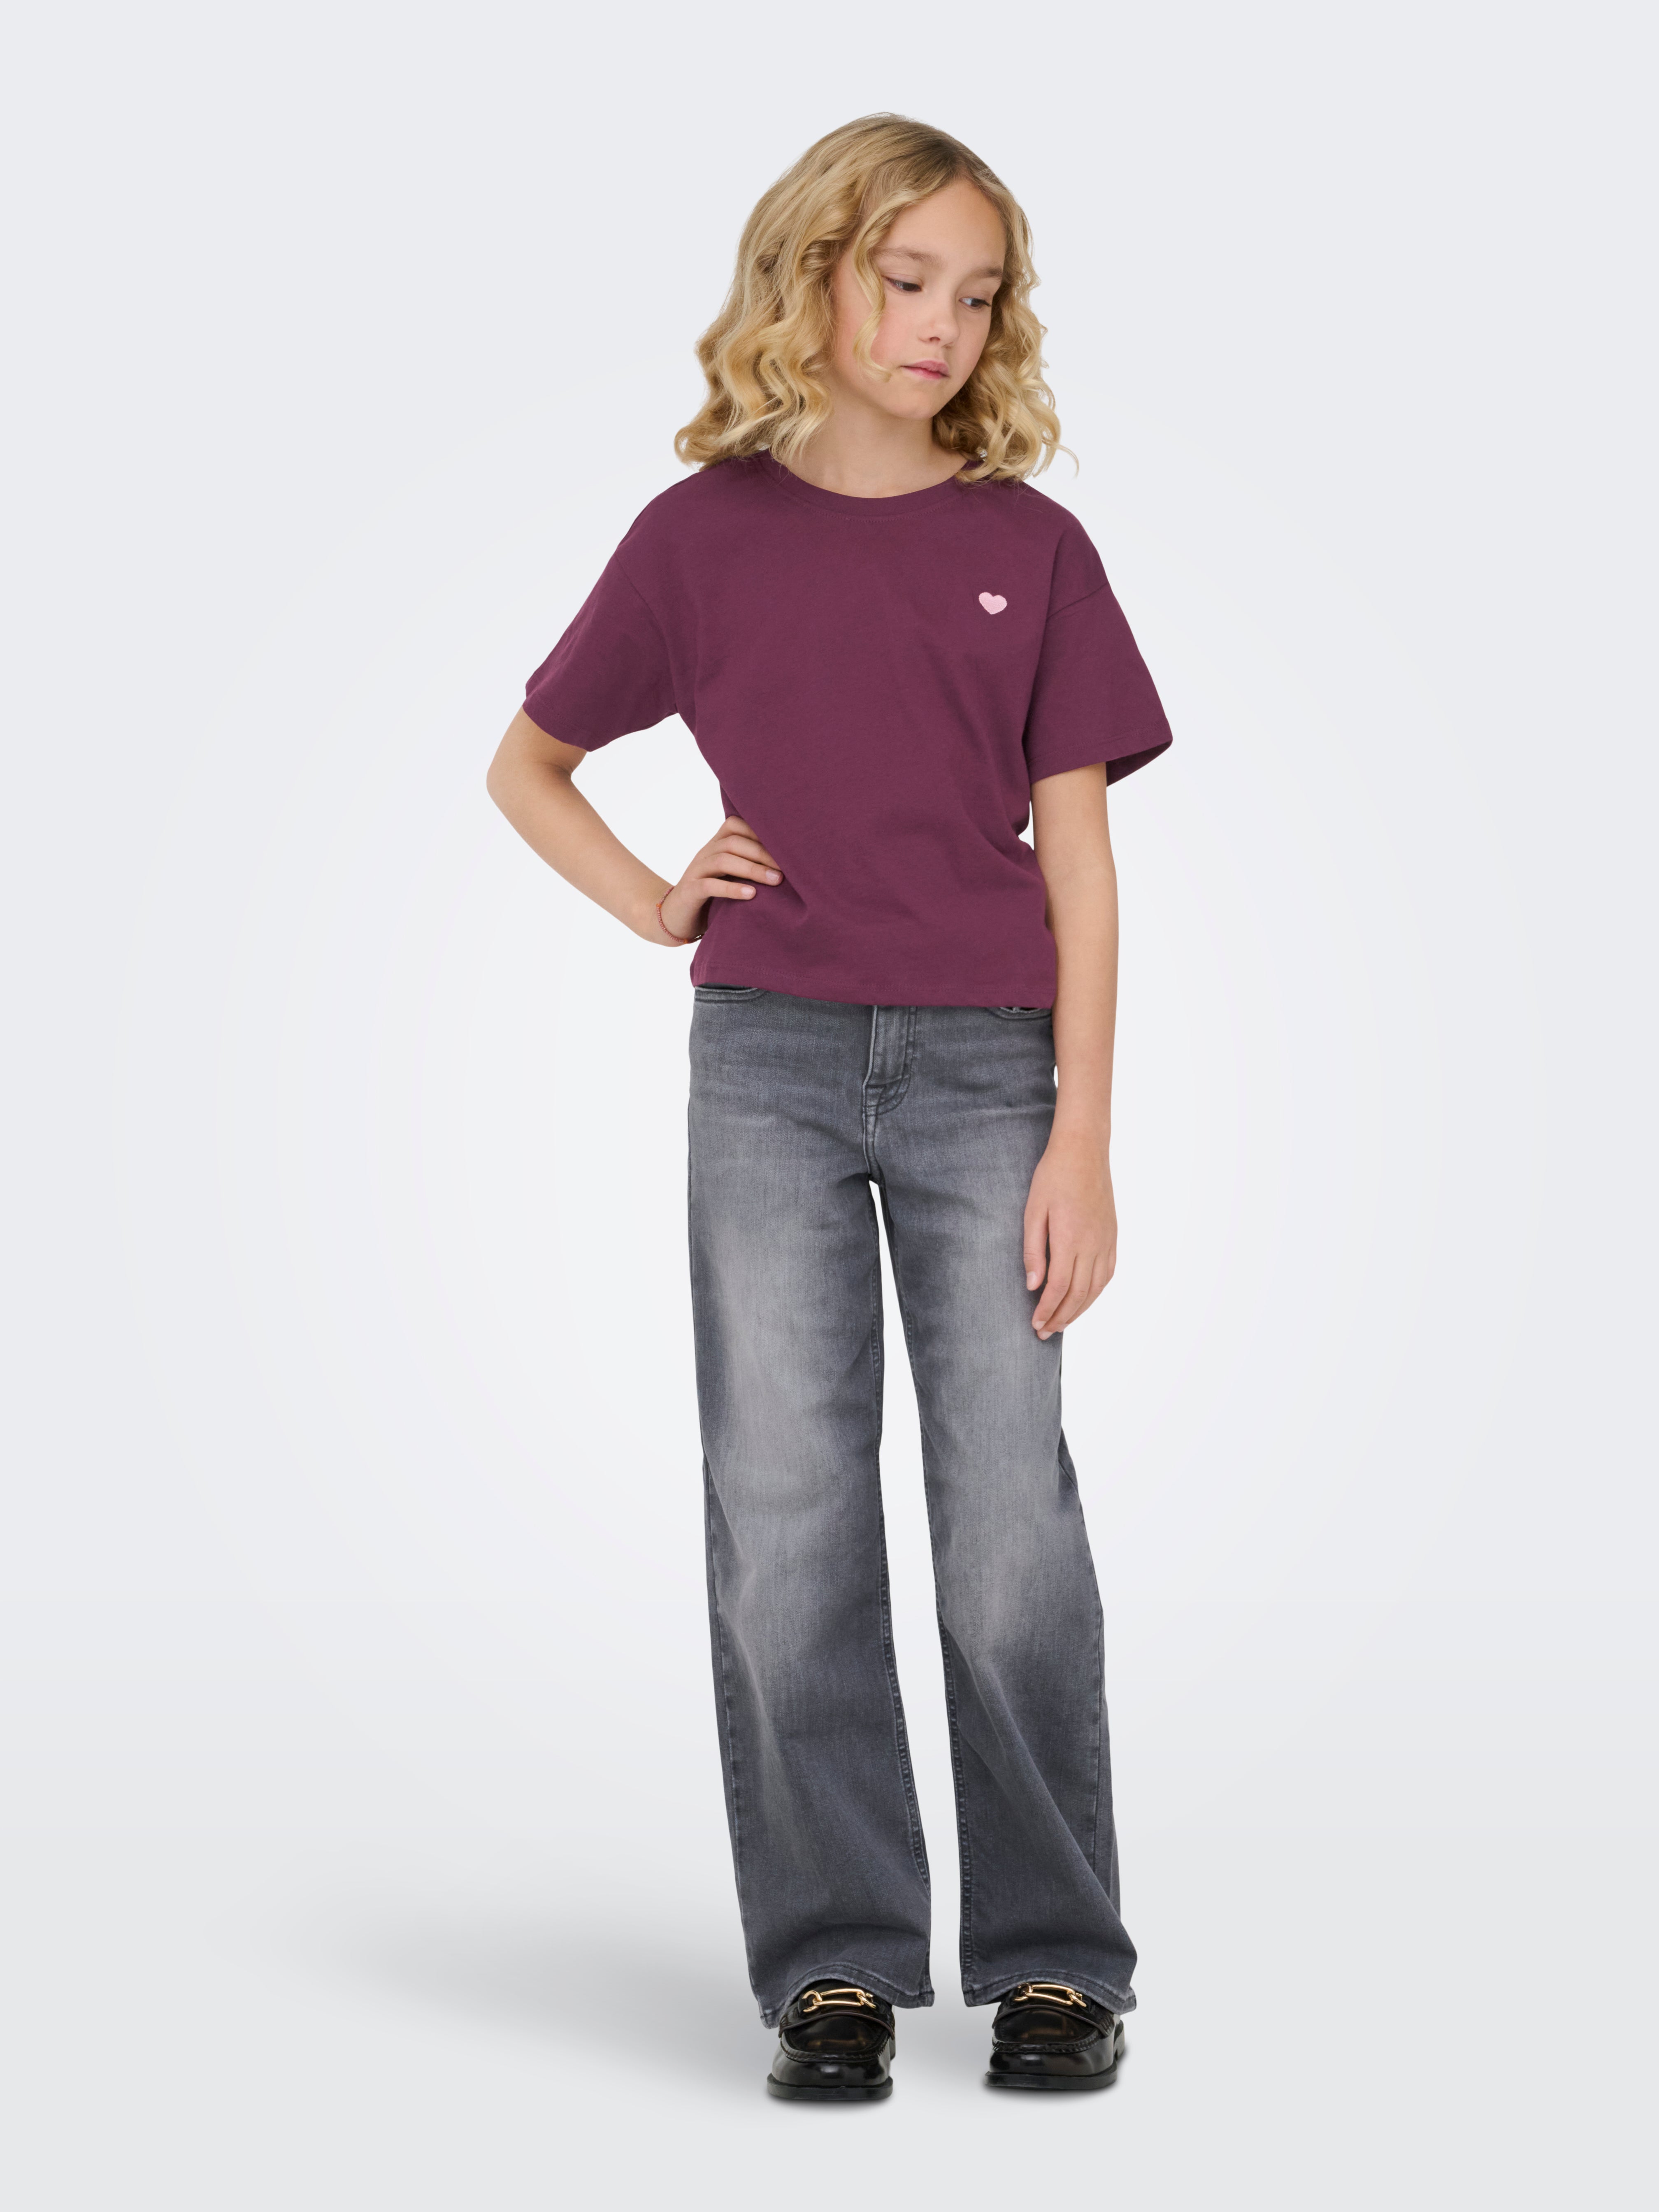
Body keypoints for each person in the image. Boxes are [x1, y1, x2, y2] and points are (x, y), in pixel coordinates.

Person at [486, 113, 1172, 2100]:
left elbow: (1081, 863)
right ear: (813, 274)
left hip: (988, 1069)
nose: (944, 324)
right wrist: (655, 900)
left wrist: (1084, 1134)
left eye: (978, 293)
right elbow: (528, 762)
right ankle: (838, 1962)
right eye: (905, 279)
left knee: (1007, 1521)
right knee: (786, 1513)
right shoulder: (696, 538)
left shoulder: (1032, 551)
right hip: (770, 1066)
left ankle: (1056, 1960)